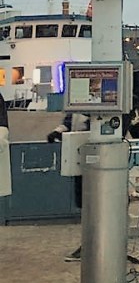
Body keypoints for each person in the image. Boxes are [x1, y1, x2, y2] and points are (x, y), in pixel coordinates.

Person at [47, 109, 91, 261]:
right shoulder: (79, 102)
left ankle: (94, 245)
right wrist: (57, 132)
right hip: (80, 159)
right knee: (86, 206)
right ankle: (89, 244)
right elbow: (69, 121)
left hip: (97, 160)